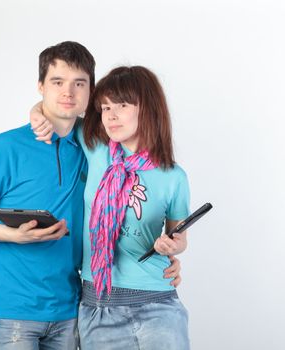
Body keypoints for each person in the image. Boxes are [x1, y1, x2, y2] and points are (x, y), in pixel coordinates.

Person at [31, 65, 190, 349]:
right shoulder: (94, 147)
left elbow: (179, 238)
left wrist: (173, 246)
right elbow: (55, 111)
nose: (111, 115)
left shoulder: (173, 176)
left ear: (148, 108)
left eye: (122, 105)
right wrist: (35, 114)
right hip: (98, 307)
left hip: (158, 304)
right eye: (104, 108)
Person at [0, 41, 94, 350]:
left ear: (90, 90)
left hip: (71, 309)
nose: (68, 92)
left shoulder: (93, 146)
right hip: (14, 309)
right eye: (57, 82)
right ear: (40, 86)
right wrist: (14, 235)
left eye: (79, 83)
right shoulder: (6, 147)